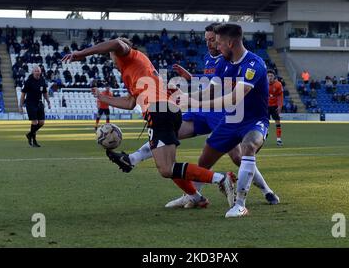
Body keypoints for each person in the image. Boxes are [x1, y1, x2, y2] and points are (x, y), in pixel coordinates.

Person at [111, 23, 278, 209]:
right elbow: (209, 88)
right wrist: (190, 84)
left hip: (225, 113)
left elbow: (227, 93)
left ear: (225, 41)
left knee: (239, 157)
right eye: (206, 40)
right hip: (204, 111)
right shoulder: (212, 59)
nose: (209, 44)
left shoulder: (239, 59)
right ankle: (186, 191)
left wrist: (192, 98)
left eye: (213, 40)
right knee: (169, 133)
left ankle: (266, 190)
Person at [62, 37, 236, 213]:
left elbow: (115, 43)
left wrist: (82, 53)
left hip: (158, 111)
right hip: (167, 110)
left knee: (166, 168)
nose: (111, 58)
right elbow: (130, 102)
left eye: (111, 55)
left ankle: (221, 179)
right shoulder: (133, 69)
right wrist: (102, 97)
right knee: (169, 165)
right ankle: (197, 197)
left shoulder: (129, 56)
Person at [181, 24, 275, 218]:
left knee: (248, 146)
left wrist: (190, 102)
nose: (217, 46)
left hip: (255, 121)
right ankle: (192, 196)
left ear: (230, 43)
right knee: (205, 159)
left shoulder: (253, 65)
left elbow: (234, 98)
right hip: (231, 120)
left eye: (219, 42)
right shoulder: (223, 63)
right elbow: (209, 91)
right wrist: (185, 96)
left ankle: (240, 204)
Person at [19, 65, 51, 148]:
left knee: (41, 122)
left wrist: (48, 101)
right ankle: (34, 141)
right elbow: (23, 94)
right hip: (30, 103)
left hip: (39, 103)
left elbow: (45, 92)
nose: (37, 72)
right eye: (36, 71)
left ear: (40, 72)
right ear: (33, 72)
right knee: (35, 122)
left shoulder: (42, 80)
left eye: (38, 71)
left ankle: (29, 134)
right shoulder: (29, 81)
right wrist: (21, 106)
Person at [267, 70, 284, 146]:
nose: (269, 77)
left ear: (274, 77)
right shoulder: (263, 83)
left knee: (277, 122)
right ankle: (262, 139)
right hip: (265, 106)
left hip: (274, 106)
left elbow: (280, 96)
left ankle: (279, 139)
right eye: (268, 76)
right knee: (264, 123)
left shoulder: (278, 85)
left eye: (271, 76)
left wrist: (280, 106)